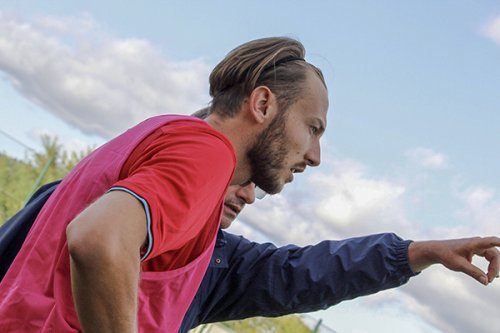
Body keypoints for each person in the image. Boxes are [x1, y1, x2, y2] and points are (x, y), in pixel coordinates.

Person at [0, 37, 329, 332]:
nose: (314, 156)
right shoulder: (208, 152)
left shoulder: (162, 130)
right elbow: (99, 239)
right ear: (262, 105)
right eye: (312, 128)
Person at [1, 180, 499, 333]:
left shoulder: (218, 264)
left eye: (257, 184)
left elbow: (301, 274)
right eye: (238, 176)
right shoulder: (72, 200)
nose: (250, 195)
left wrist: (414, 253)